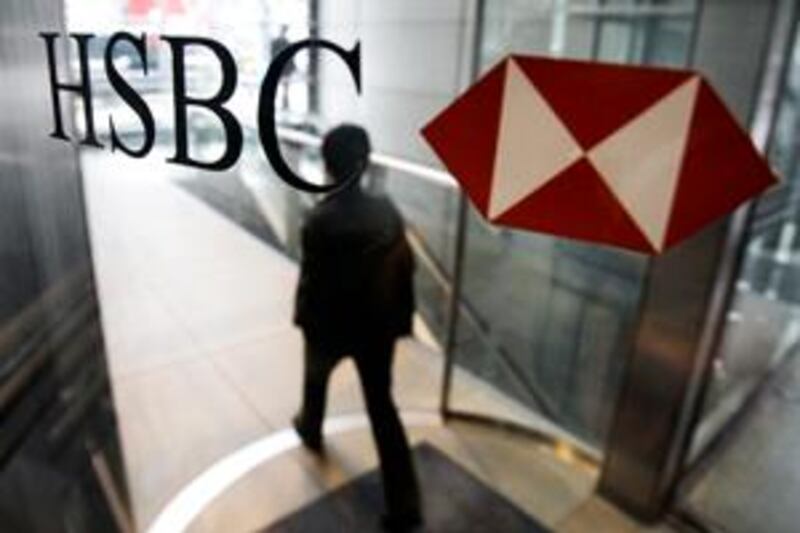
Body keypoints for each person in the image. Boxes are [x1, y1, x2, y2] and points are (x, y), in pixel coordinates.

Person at [292, 124, 423, 532]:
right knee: (382, 407)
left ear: (328, 166)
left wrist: (304, 318)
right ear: (365, 164)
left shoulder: (318, 219)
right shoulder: (387, 211)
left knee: (315, 380)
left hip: (330, 327)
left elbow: (313, 281)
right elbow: (405, 268)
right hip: (376, 328)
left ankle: (311, 427)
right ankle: (405, 506)